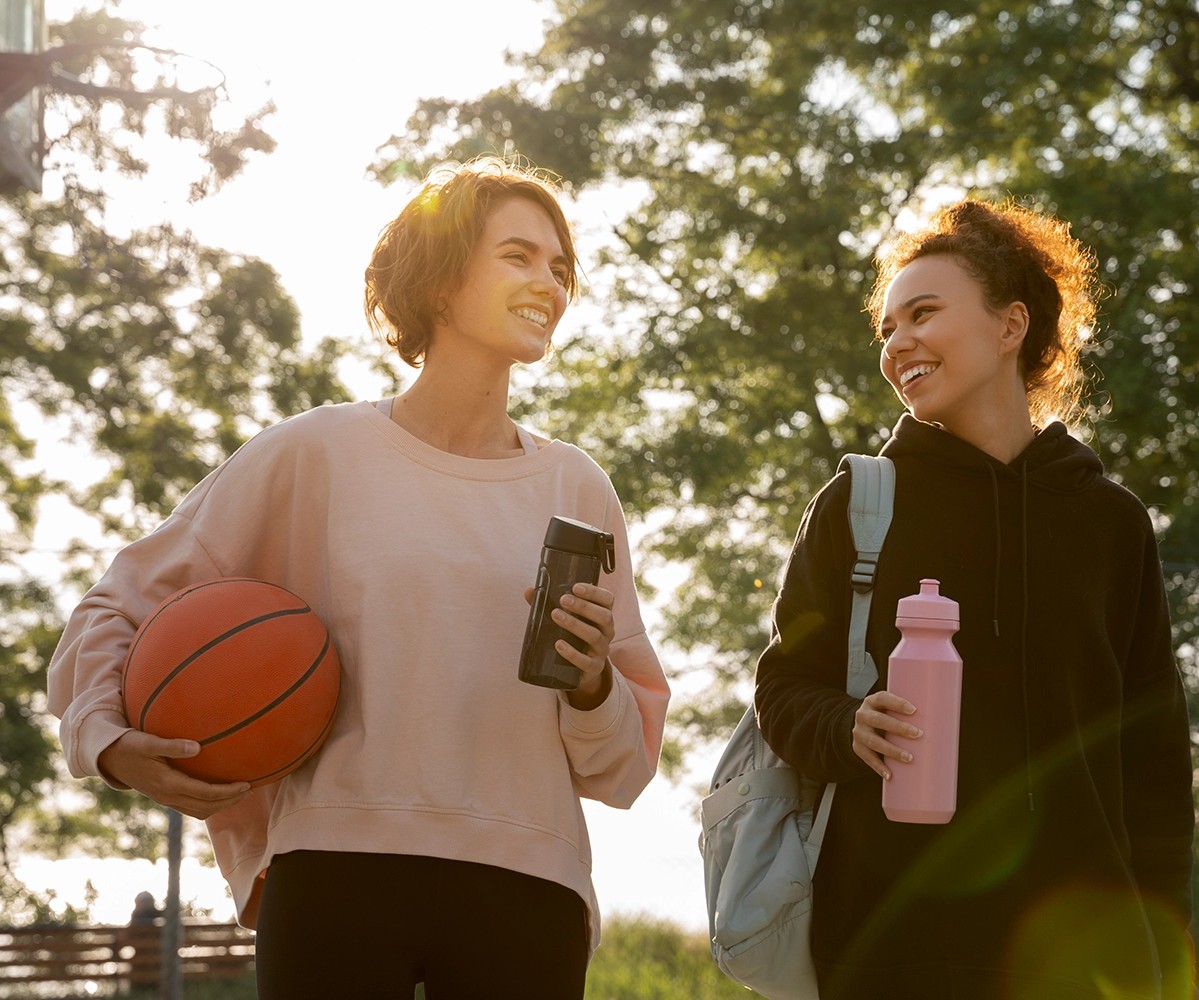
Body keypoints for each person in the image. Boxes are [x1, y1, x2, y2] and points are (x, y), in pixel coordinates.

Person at [47, 155, 670, 999]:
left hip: (527, 878)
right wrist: (110, 743)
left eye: (560, 268)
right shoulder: (316, 453)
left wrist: (594, 682)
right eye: (518, 256)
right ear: (441, 281)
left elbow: (621, 767)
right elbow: (117, 602)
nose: (550, 283)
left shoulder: (576, 487)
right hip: (336, 868)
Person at [754, 199, 1194, 999]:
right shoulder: (859, 505)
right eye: (886, 328)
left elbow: (1154, 763)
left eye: (922, 313)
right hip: (889, 947)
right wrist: (849, 726)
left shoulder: (1110, 523)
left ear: (1009, 325)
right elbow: (781, 691)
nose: (896, 344)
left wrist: (1162, 949)